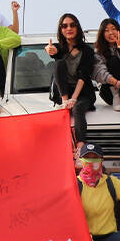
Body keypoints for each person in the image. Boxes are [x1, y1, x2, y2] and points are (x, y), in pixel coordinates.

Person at [44, 13, 96, 148]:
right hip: (63, 95)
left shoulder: (87, 51)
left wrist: (73, 99)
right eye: (64, 26)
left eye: (72, 25)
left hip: (82, 93)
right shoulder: (59, 48)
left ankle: (80, 147)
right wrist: (66, 101)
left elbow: (83, 76)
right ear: (60, 29)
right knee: (59, 63)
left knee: (78, 108)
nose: (69, 28)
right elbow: (52, 50)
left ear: (78, 27)